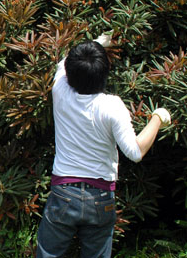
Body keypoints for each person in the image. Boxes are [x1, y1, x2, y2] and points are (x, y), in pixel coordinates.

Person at [36, 34, 171, 258]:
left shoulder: (59, 91)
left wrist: (97, 42)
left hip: (63, 193)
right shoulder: (111, 106)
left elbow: (64, 63)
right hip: (100, 198)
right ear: (104, 74)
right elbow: (135, 152)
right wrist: (157, 117)